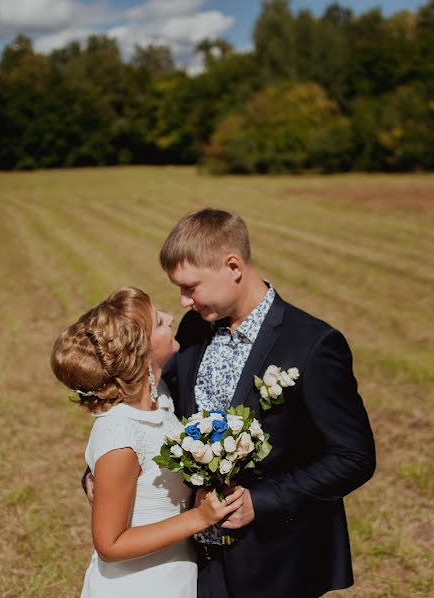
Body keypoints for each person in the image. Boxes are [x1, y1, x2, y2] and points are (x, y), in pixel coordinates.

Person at [160, 208, 376, 598]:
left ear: (233, 266)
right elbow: (164, 409)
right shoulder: (194, 329)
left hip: (276, 561)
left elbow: (353, 456)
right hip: (193, 557)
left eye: (191, 286)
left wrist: (262, 502)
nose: (182, 301)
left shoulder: (312, 344)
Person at [53, 287, 246, 598]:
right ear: (141, 355)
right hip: (137, 586)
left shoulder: (161, 402)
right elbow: (110, 544)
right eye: (158, 321)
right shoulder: (120, 433)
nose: (171, 318)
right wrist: (198, 518)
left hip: (175, 576)